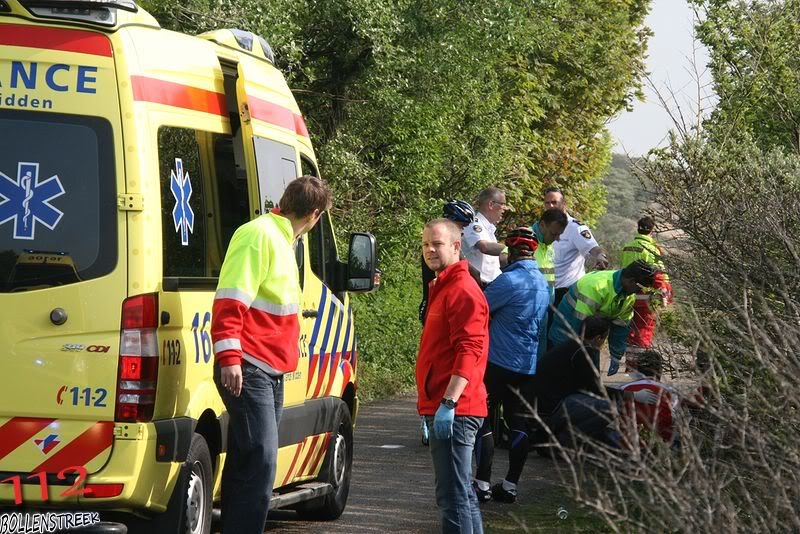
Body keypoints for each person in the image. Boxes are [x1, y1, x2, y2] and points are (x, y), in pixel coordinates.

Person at [211, 176, 331, 534]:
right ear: (314, 215)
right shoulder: (260, 236)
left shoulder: (281, 238)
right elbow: (231, 299)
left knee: (250, 456)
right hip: (249, 364)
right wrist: (230, 357)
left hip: (268, 366)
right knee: (262, 459)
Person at [417, 218, 489, 534]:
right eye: (425, 245)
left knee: (453, 498)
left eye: (437, 244)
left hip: (457, 408)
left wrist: (449, 401)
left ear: (456, 246)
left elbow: (470, 348)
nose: (430, 250)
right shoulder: (444, 286)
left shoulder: (461, 289)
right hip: (447, 405)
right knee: (462, 496)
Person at [473, 228, 550, 504]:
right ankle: (509, 486)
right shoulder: (544, 285)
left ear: (513, 252)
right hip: (528, 365)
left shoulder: (509, 281)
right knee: (519, 423)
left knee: (484, 418)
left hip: (498, 362)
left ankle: (481, 482)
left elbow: (480, 308)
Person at [548, 260, 659, 376]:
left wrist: (615, 356)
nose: (640, 292)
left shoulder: (628, 297)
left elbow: (620, 328)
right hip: (566, 328)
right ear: (632, 281)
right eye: (641, 288)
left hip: (592, 335)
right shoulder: (597, 286)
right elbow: (580, 325)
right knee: (561, 369)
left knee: (589, 375)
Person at [532, 317, 616, 448]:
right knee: (610, 408)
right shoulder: (582, 352)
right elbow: (596, 388)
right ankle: (562, 442)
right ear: (599, 338)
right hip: (550, 408)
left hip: (542, 403)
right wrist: (625, 394)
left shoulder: (572, 345)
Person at [620, 216, 673, 370]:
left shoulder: (627, 247)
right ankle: (642, 366)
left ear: (638, 228)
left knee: (631, 330)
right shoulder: (652, 249)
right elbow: (660, 274)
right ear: (652, 230)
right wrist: (666, 293)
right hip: (646, 298)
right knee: (644, 331)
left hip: (628, 296)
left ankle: (630, 364)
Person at [543, 187, 609, 307]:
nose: (551, 206)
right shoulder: (541, 227)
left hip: (566, 292)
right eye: (547, 203)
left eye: (554, 202)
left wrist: (600, 256)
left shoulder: (576, 228)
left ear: (564, 204)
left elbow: (592, 247)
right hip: (544, 290)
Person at [419, 200, 477, 323]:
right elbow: (473, 272)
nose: (462, 231)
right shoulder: (444, 248)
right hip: (434, 301)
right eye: (461, 225)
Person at [618, 350, 680, 446]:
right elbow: (675, 418)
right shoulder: (670, 391)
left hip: (628, 443)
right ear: (660, 370)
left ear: (637, 369)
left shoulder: (624, 389)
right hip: (661, 444)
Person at [462, 187, 510, 286]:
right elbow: (484, 247)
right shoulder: (474, 224)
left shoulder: (488, 229)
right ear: (491, 205)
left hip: (490, 285)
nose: (505, 208)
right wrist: (514, 249)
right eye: (502, 204)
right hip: (478, 285)